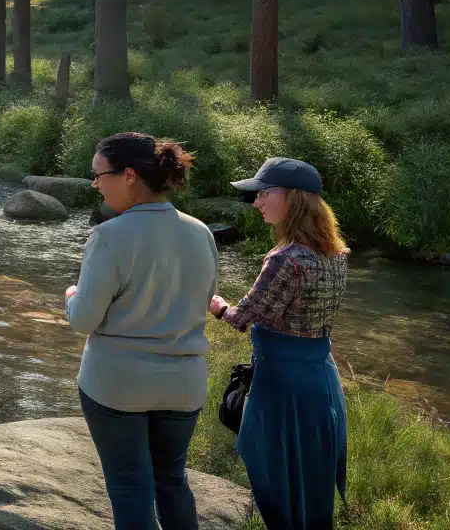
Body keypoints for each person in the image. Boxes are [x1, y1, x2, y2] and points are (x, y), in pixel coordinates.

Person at [65, 132, 218, 530]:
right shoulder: (201, 232)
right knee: (172, 481)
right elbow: (200, 301)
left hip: (117, 383)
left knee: (131, 487)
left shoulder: (109, 236)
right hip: (184, 384)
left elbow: (84, 319)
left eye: (99, 174)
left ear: (129, 175)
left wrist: (71, 296)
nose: (95, 183)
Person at [211, 158, 349, 530]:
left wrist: (216, 303)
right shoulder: (336, 255)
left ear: (294, 199)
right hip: (321, 377)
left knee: (276, 474)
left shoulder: (285, 258)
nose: (257, 202)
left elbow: (243, 318)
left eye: (264, 193)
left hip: (282, 383)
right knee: (311, 476)